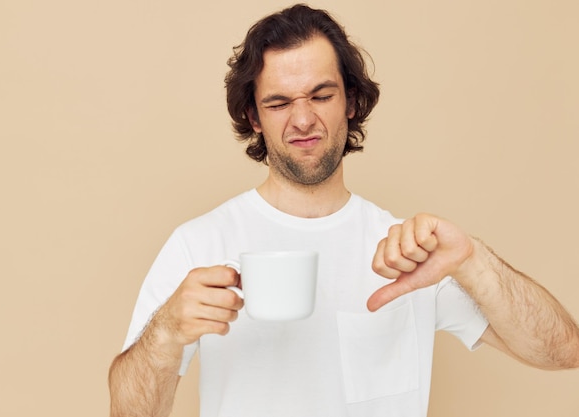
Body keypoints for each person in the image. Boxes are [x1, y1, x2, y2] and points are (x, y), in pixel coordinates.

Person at [108, 4, 579, 417]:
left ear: (351, 101)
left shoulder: (410, 252)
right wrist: (166, 332)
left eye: (321, 94)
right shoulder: (199, 244)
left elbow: (563, 350)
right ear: (254, 117)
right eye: (278, 102)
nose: (303, 119)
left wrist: (473, 259)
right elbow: (128, 413)